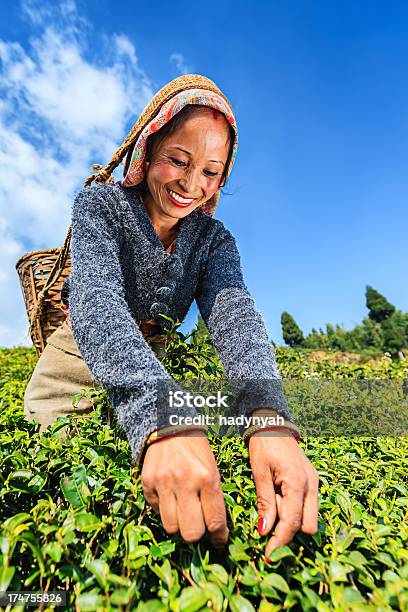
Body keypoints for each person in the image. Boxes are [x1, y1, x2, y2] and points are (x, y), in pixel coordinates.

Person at [24, 74, 318, 560]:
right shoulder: (103, 205)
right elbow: (97, 299)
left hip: (153, 366)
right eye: (178, 161)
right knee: (60, 471)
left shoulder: (213, 241)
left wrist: (269, 417)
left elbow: (236, 317)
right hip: (75, 361)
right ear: (147, 151)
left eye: (210, 171)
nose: (190, 184)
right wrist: (161, 414)